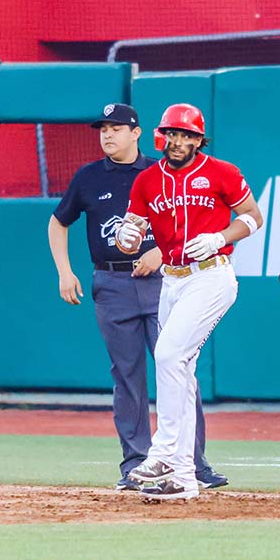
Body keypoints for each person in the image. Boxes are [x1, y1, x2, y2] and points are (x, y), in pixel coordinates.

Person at [48, 103, 229, 493]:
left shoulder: (159, 172)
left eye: (116, 128)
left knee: (178, 367)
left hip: (160, 281)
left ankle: (192, 463)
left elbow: (187, 226)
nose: (107, 135)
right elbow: (58, 221)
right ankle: (135, 463)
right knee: (126, 376)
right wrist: (65, 270)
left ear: (137, 133)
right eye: (103, 129)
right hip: (110, 283)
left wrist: (161, 252)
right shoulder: (89, 177)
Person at [120, 103, 263, 501]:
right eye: (174, 133)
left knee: (167, 355)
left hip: (212, 275)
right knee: (180, 370)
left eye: (188, 135)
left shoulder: (222, 172)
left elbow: (253, 216)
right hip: (172, 281)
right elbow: (131, 230)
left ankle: (163, 452)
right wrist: (127, 240)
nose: (180, 141)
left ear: (200, 140)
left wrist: (221, 237)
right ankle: (182, 477)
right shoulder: (147, 181)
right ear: (161, 136)